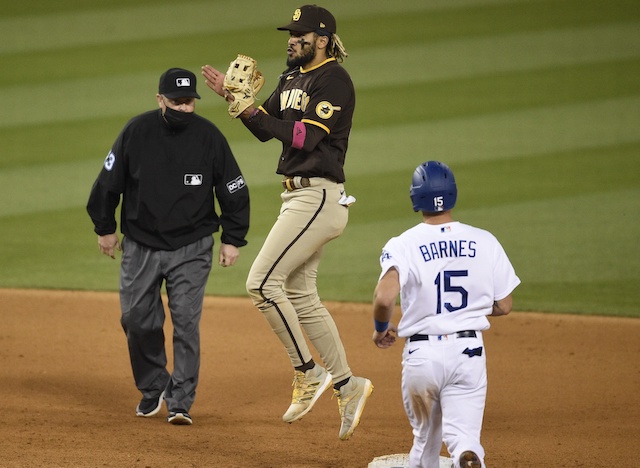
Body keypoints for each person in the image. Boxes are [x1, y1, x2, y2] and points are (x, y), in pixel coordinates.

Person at [201, 4, 372, 440]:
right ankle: (349, 385)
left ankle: (309, 372)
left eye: (299, 35)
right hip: (297, 196)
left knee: (261, 285)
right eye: (290, 34)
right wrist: (233, 99)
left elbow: (305, 136)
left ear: (322, 39)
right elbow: (264, 128)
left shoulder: (333, 79)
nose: (291, 40)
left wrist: (253, 111)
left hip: (318, 195)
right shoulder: (291, 78)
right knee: (300, 293)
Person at [87, 67, 250, 426]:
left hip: (192, 247)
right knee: (136, 320)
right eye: (177, 101)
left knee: (186, 323)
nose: (185, 108)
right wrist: (105, 228)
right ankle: (154, 386)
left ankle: (180, 402)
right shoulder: (136, 131)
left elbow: (233, 188)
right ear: (160, 99)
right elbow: (107, 182)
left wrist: (233, 238)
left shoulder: (209, 136)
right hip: (141, 245)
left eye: (189, 101)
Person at [371, 161, 520, 467]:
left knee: (425, 439)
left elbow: (384, 297)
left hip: (422, 355)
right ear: (452, 195)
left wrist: (380, 327)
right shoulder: (484, 240)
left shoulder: (404, 244)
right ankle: (467, 455)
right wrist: (471, 309)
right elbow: (504, 304)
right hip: (469, 352)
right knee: (465, 436)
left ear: (416, 198)